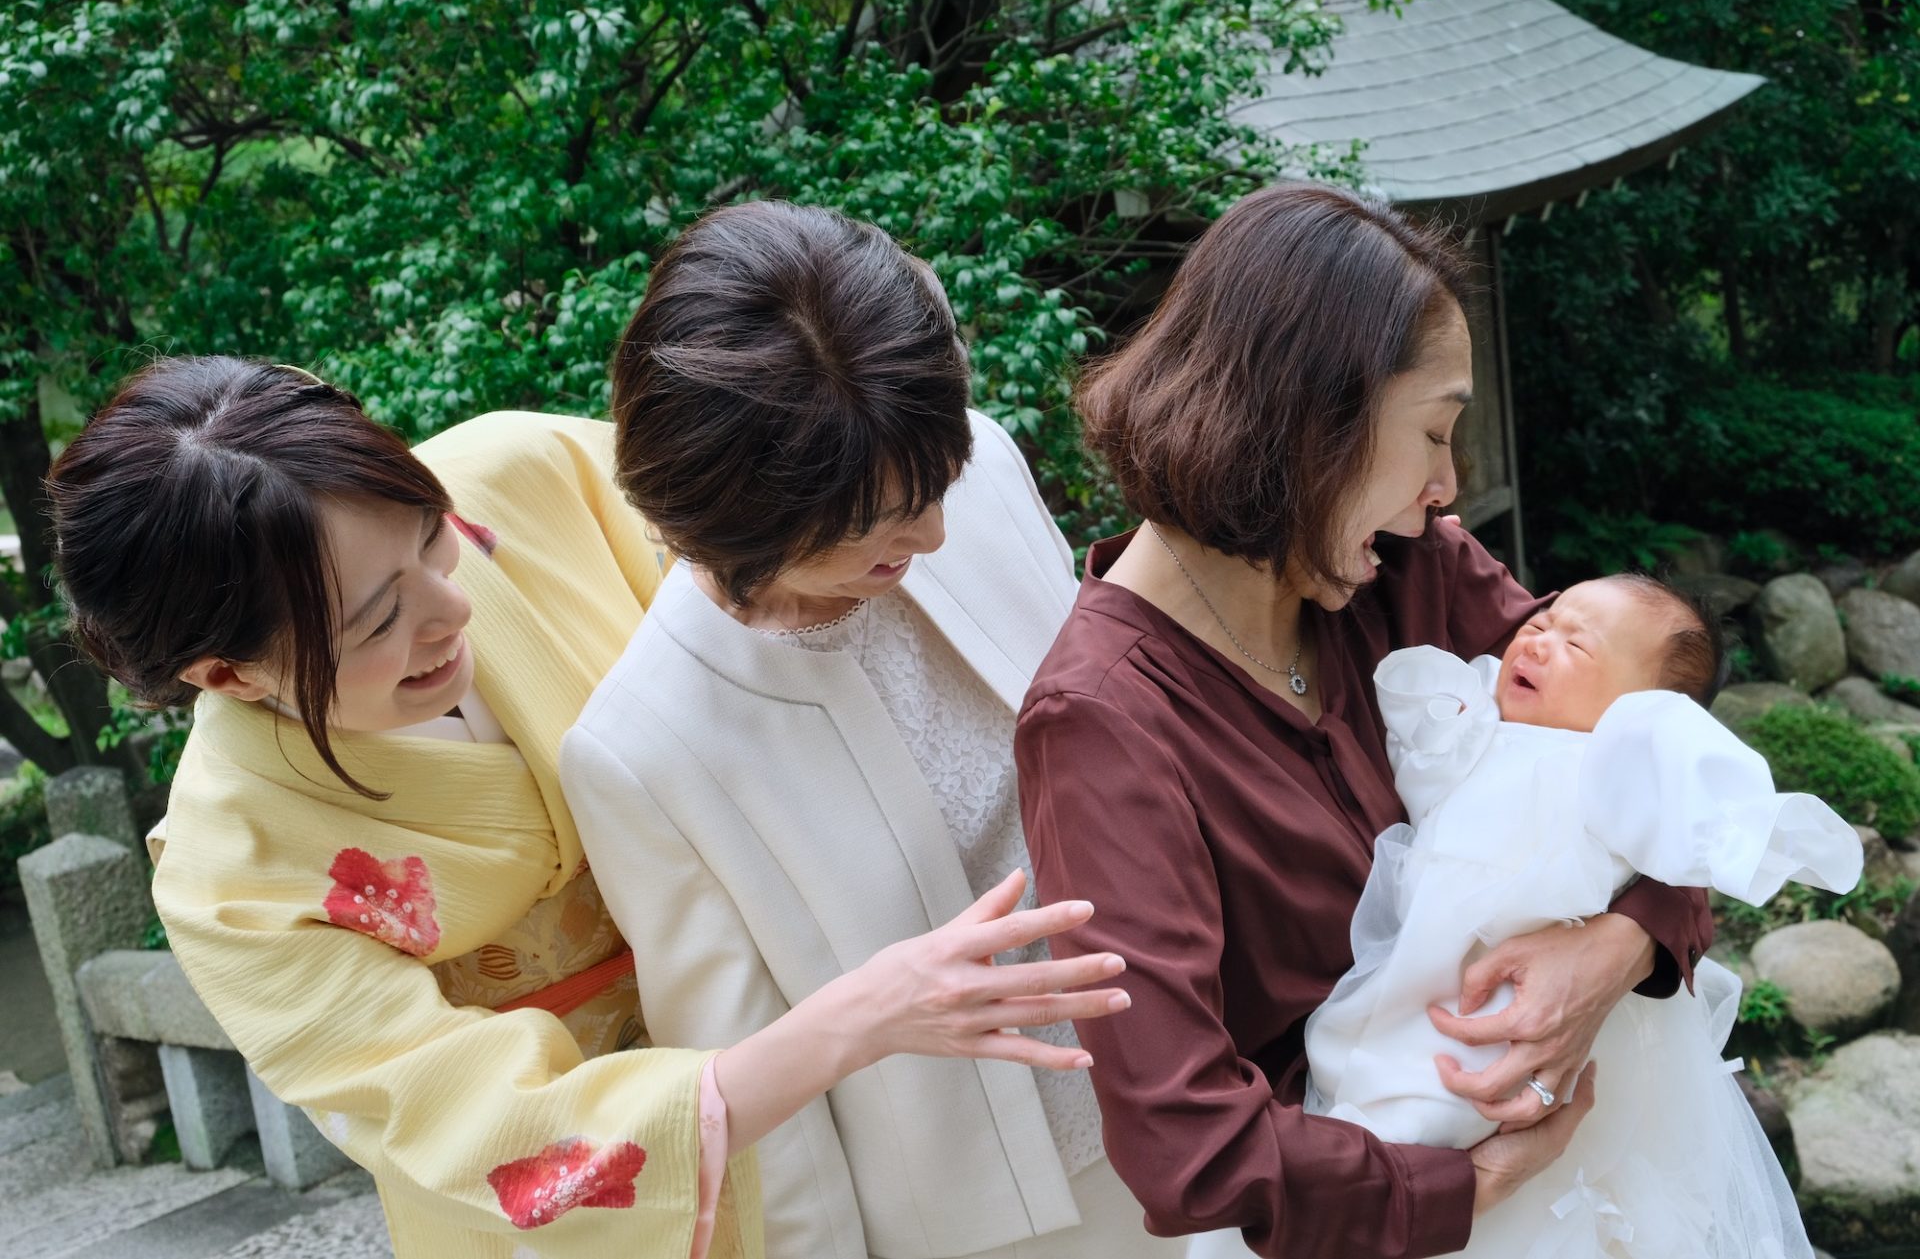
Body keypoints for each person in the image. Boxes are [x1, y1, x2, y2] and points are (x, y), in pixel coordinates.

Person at [45, 357, 1128, 1259]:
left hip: (833, 1019)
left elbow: (751, 579)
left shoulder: (530, 472)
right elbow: (489, 1132)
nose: (451, 604)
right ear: (228, 676)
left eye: (431, 535)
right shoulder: (230, 873)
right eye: (377, 623)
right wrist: (855, 1018)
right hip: (633, 1188)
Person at [1013, 182, 1718, 1259]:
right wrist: (1469, 1186)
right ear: (1311, 423)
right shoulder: (1103, 722)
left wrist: (1624, 945)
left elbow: (1656, 745)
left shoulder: (1405, 565)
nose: (1446, 487)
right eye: (1434, 434)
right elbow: (1184, 1144)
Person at [560, 200, 1181, 1259]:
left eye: (934, 489)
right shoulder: (645, 748)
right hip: (1004, 1224)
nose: (935, 533)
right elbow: (773, 1119)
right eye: (874, 529)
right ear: (728, 521)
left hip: (1192, 1090)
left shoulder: (966, 467)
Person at [1304, 575, 1862, 1257]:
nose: (1537, 637)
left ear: (1642, 717)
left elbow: (1695, 833)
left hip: (1509, 1000)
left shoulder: (1611, 769)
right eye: (1544, 621)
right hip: (1419, 976)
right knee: (1381, 1074)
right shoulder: (1478, 719)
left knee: (1463, 1093)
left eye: (1578, 644)